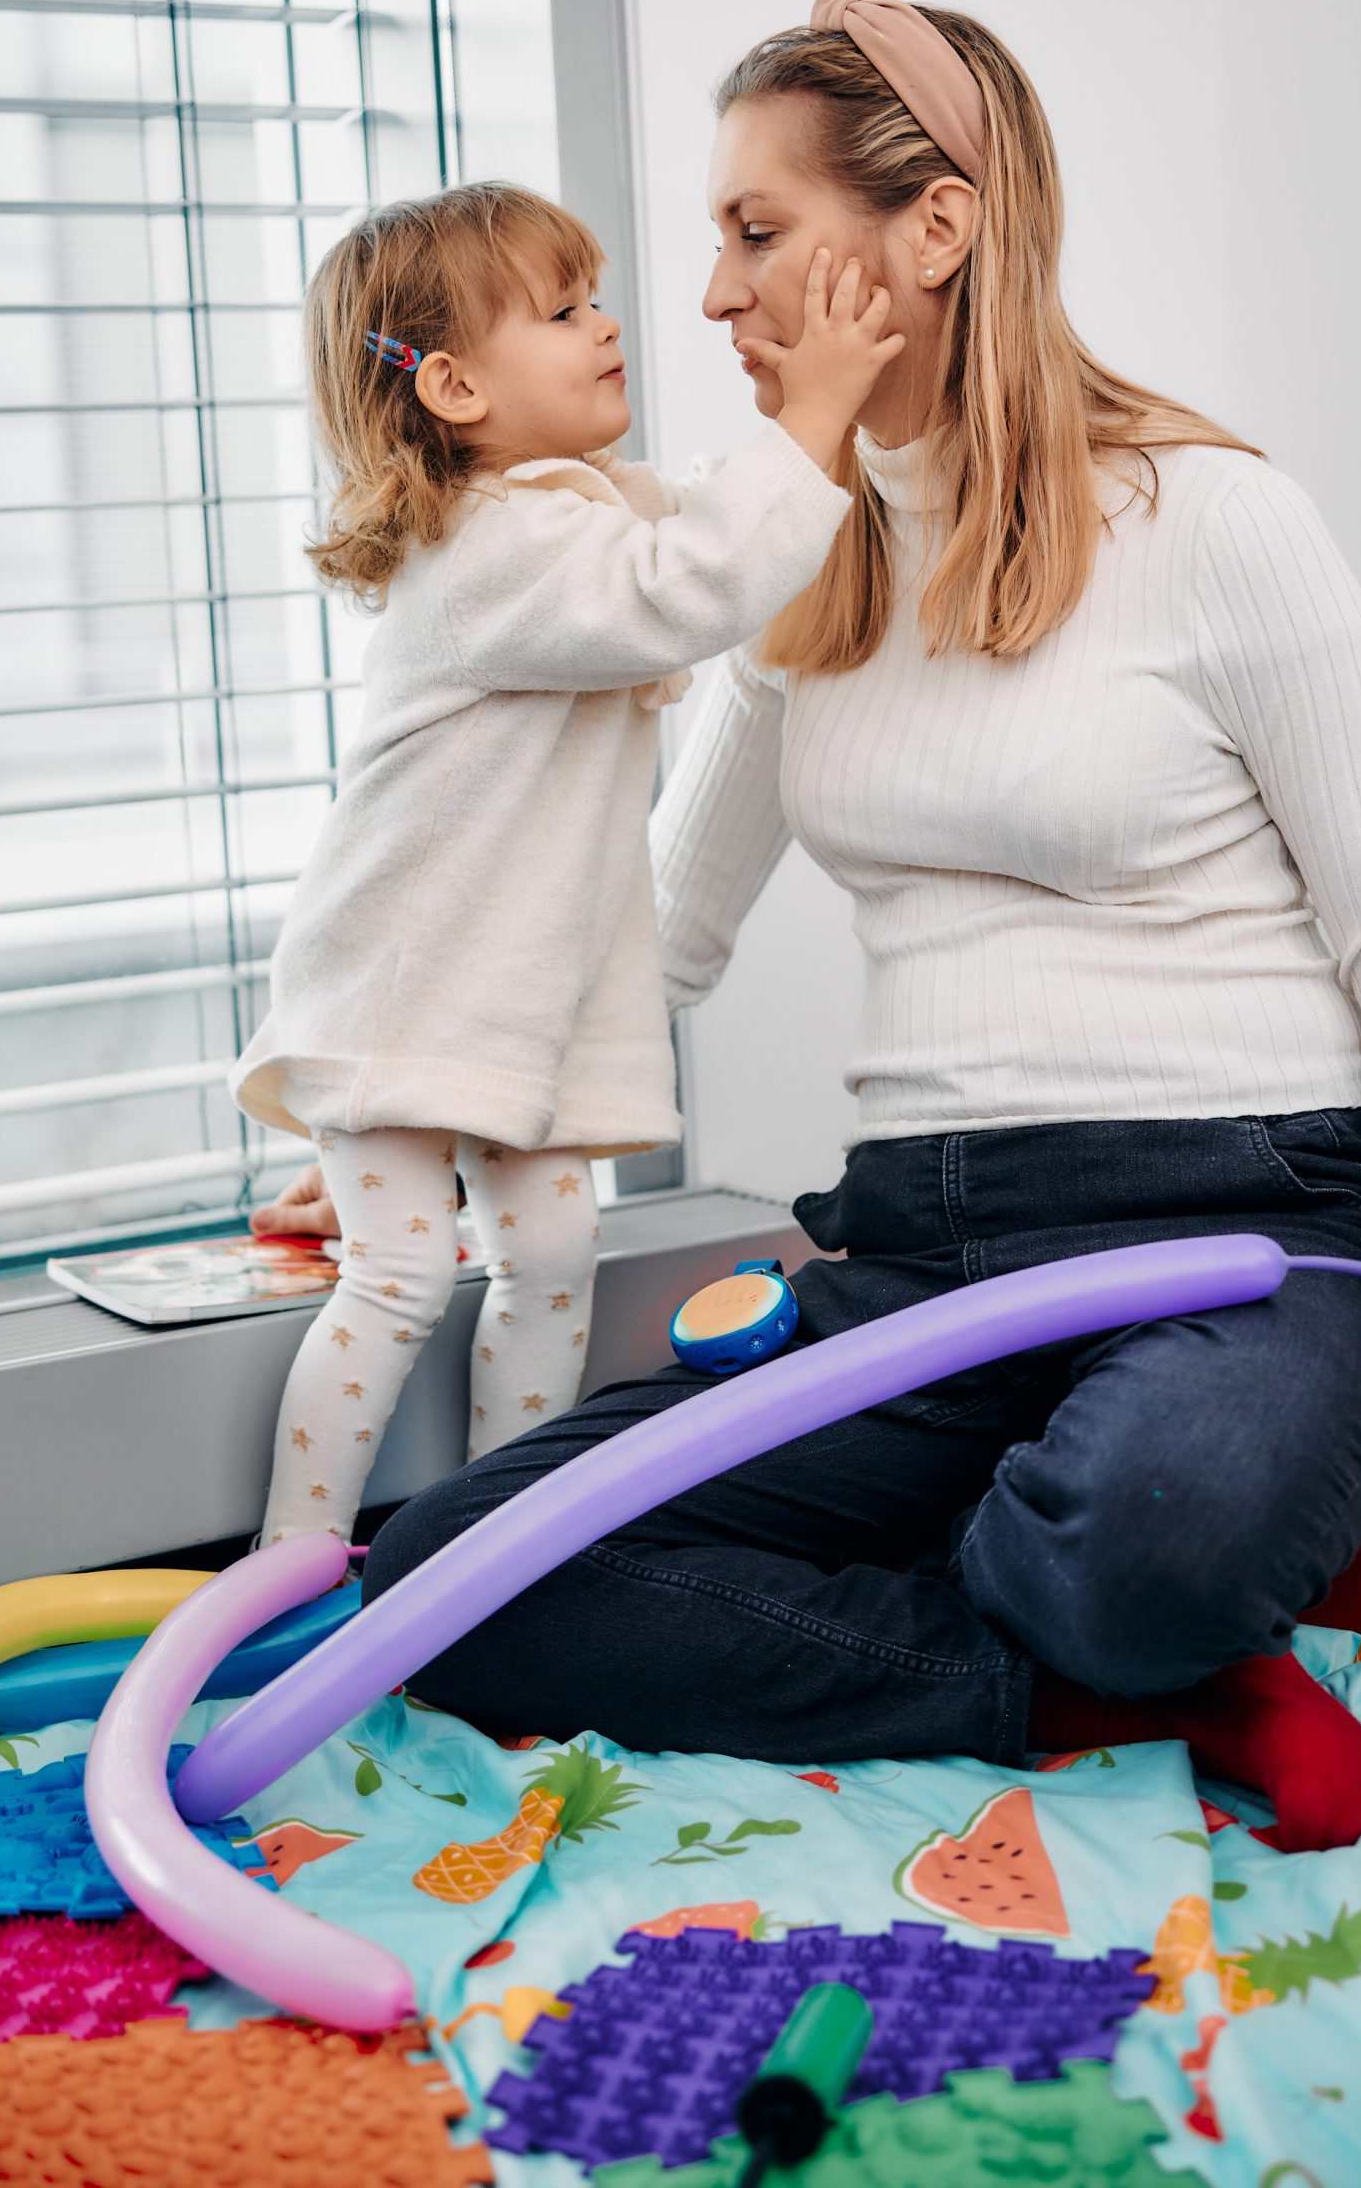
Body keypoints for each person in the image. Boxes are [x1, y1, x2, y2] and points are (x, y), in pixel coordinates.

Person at [277, 0, 1361, 1852]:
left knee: (1156, 1524)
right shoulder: (812, 566)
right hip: (928, 1258)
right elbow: (648, 934)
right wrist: (410, 1122)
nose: (709, 296)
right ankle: (1110, 1669)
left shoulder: (1211, 518)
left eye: (755, 232)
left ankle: (1105, 1602)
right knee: (464, 1568)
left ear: (933, 233)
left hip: (1239, 1234)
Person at [233, 180, 900, 1542]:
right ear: (459, 389)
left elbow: (706, 511)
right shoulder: (494, 546)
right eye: (564, 309)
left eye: (591, 296)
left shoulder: (572, 507)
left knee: (551, 1257)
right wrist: (817, 420)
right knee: (399, 1276)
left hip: (507, 1006)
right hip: (404, 994)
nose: (609, 326)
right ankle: (289, 1562)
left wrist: (823, 440)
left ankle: (502, 1541)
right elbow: (685, 590)